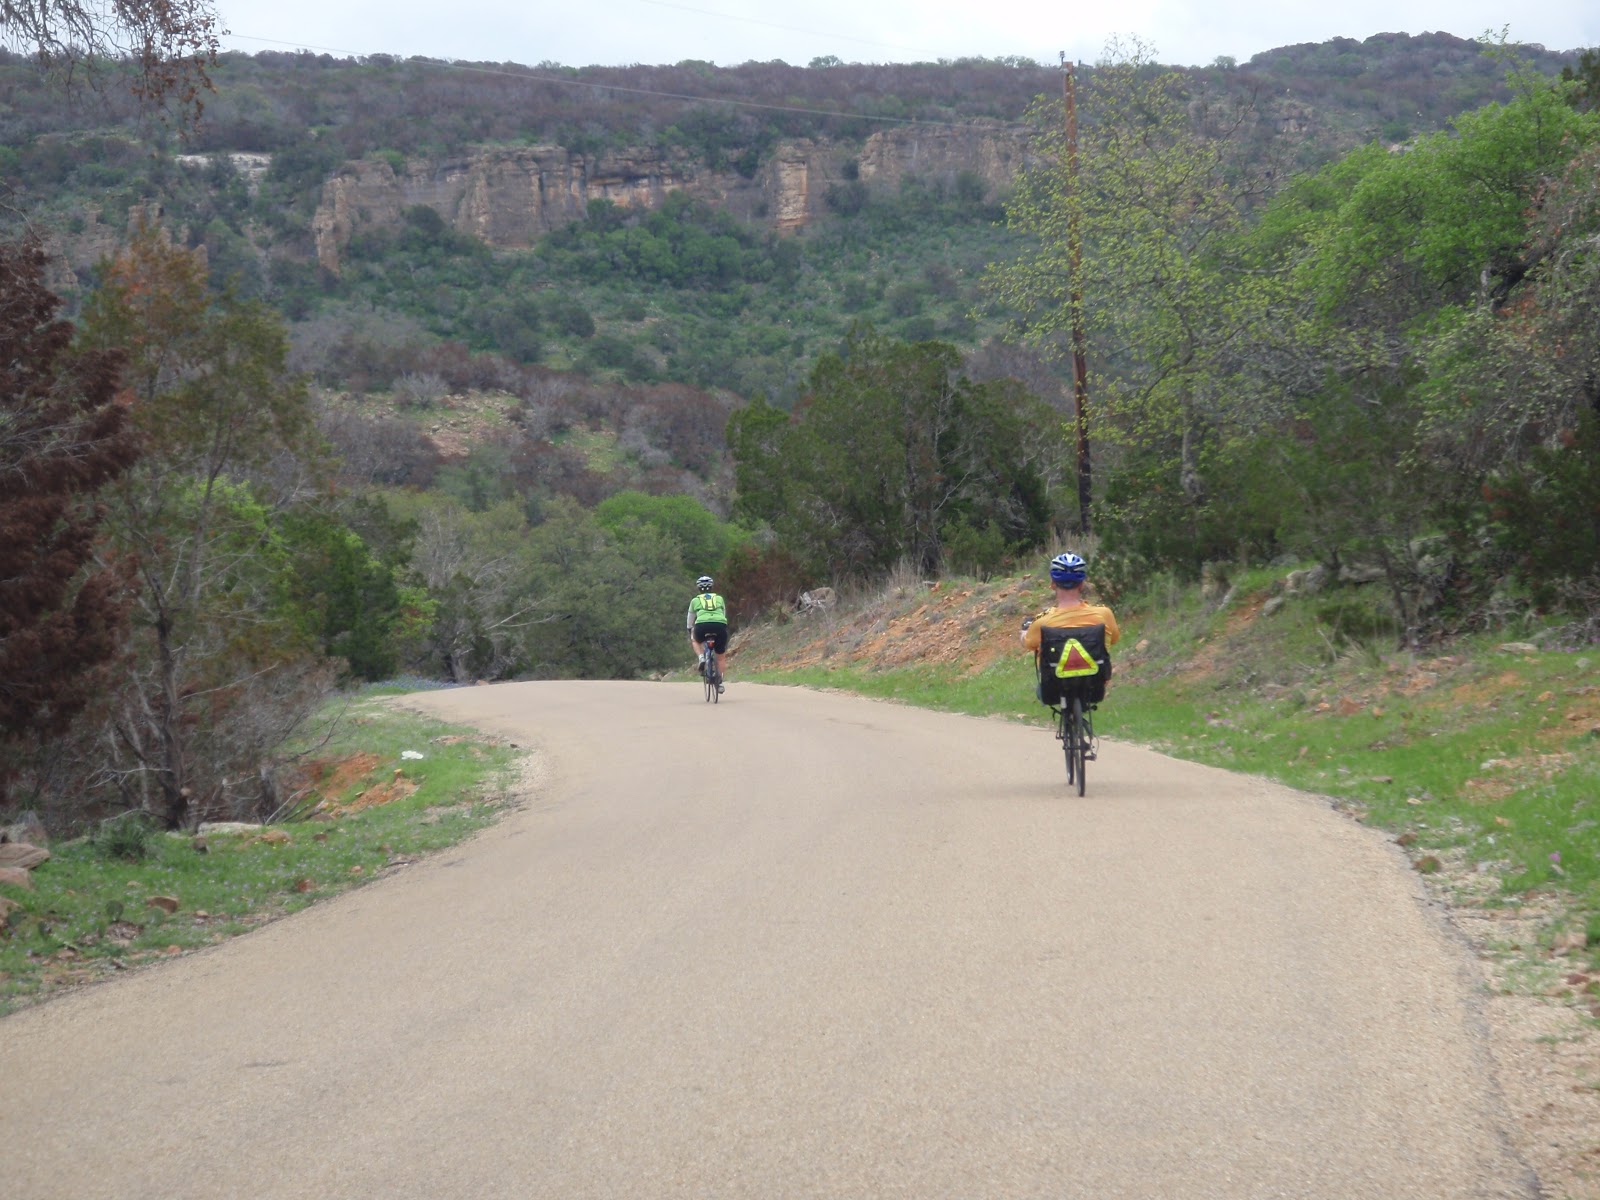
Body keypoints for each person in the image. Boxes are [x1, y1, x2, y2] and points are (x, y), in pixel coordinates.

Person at [1020, 551, 1121, 705]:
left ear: (1053, 584)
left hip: (1054, 686)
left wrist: (1024, 632)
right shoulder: (1104, 614)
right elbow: (1113, 639)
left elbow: (1028, 644)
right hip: (1095, 683)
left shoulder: (1043, 622)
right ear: (1082, 584)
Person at [687, 574, 729, 694]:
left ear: (698, 588)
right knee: (720, 656)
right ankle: (720, 683)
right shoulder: (719, 598)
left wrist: (690, 629)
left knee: (695, 640)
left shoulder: (695, 601)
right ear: (711, 587)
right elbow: (723, 614)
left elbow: (690, 619)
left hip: (702, 625)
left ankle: (701, 657)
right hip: (719, 625)